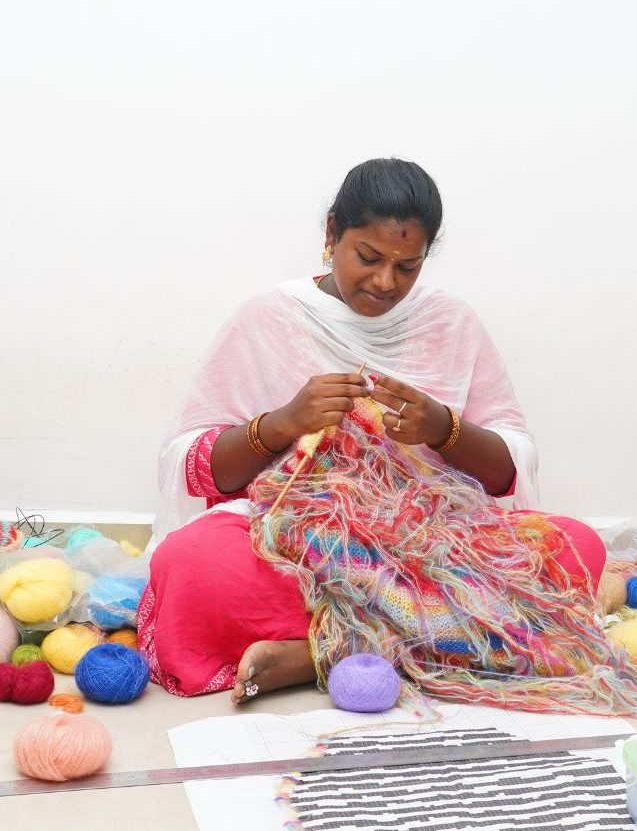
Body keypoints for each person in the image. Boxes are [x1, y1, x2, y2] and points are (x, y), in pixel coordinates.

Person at [139, 158, 606, 704]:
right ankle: (439, 642)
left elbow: (512, 465)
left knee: (576, 547)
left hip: (432, 541)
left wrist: (445, 429)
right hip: (303, 544)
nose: (386, 282)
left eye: (407, 266)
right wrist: (283, 423)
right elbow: (193, 463)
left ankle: (314, 655)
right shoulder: (270, 317)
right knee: (192, 564)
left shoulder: (451, 322)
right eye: (368, 257)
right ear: (332, 233)